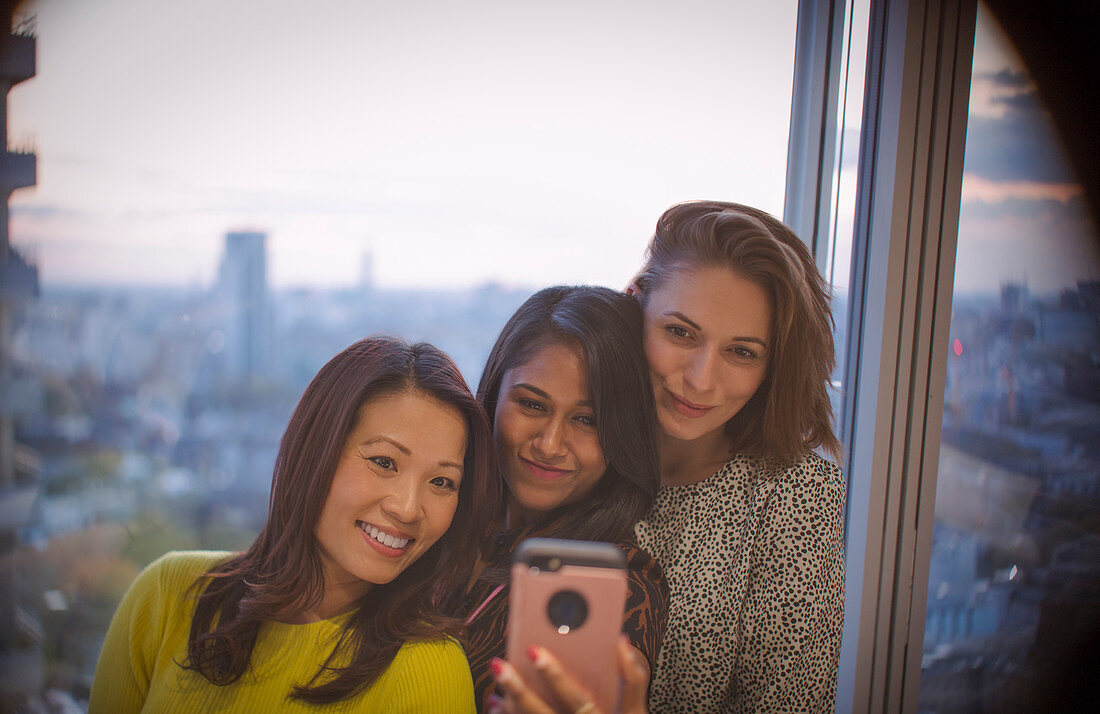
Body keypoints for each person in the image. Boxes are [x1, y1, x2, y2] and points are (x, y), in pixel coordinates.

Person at [493, 202, 846, 714]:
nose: (701, 379)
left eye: (741, 352)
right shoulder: (563, 450)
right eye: (680, 332)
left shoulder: (793, 496)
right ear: (636, 305)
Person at [89, 337, 499, 713]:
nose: (409, 509)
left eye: (442, 482)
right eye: (383, 462)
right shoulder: (166, 597)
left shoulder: (430, 669)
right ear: (315, 449)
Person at [447, 285, 669, 712]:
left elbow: (612, 685)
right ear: (494, 397)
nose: (550, 444)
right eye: (532, 405)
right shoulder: (444, 512)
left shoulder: (623, 580)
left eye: (586, 419)